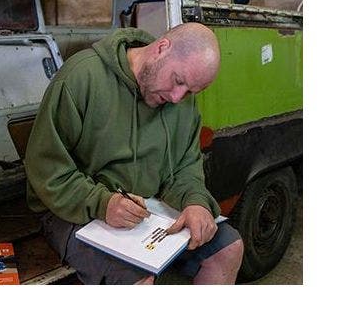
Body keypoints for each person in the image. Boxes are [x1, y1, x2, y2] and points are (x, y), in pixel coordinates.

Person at [24, 22, 244, 285]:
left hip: (149, 212)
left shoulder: (180, 102)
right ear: (162, 48)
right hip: (74, 209)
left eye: (189, 92)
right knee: (139, 282)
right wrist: (102, 203)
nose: (177, 97)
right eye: (178, 81)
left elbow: (186, 165)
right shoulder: (81, 78)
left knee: (229, 249)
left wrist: (195, 201)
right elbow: (47, 169)